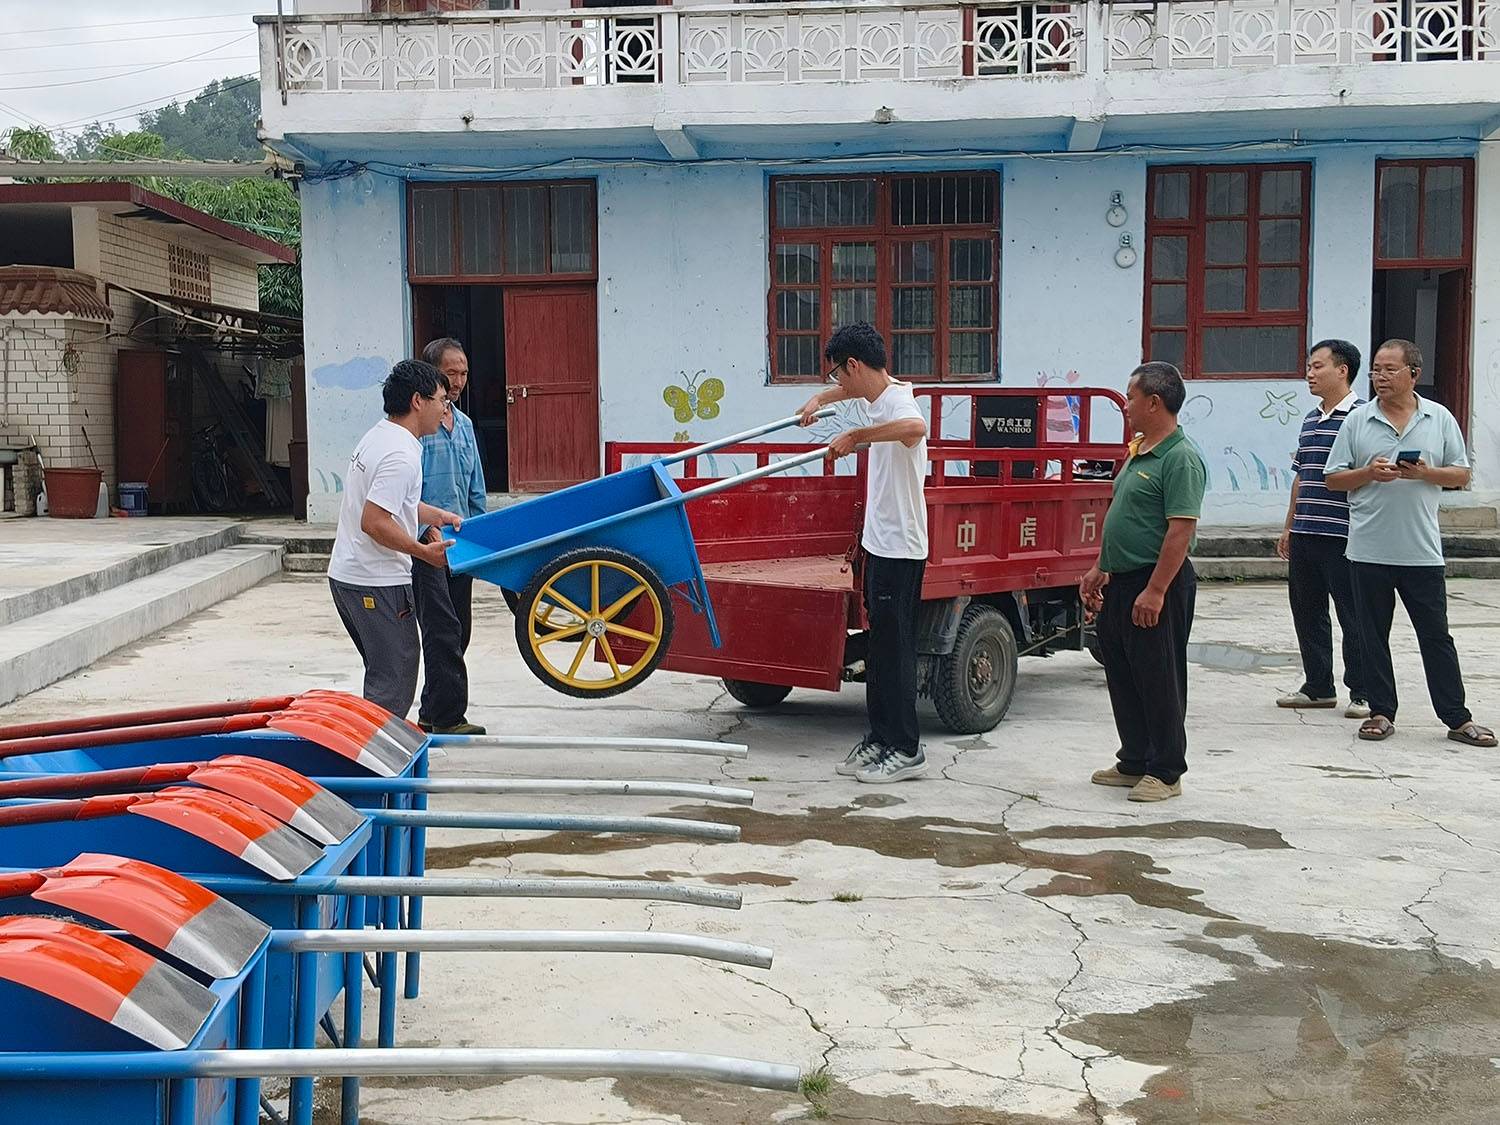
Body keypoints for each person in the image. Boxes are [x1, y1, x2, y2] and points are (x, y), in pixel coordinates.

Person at [1323, 339, 1496, 748]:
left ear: (1414, 374)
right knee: (1371, 636)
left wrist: (1424, 473)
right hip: (1368, 550)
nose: (1379, 377)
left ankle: (1457, 717)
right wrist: (1368, 472)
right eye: (1376, 370)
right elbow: (1333, 479)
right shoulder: (1358, 420)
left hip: (1421, 551)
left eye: (1389, 369)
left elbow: (1461, 474)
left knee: (1436, 637)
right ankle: (1381, 712)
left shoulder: (1439, 418)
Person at [797, 323, 930, 784]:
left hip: (902, 550)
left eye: (837, 373)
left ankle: (906, 748)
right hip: (879, 545)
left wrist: (856, 437)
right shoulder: (876, 397)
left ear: (853, 365)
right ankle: (880, 737)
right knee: (878, 649)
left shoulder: (899, 403)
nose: (837, 382)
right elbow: (848, 395)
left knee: (896, 650)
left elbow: (915, 428)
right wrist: (819, 399)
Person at [1081, 362, 1206, 803]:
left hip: (1158, 582)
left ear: (1154, 402)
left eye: (1131, 397)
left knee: (1159, 677)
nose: (1126, 406)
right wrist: (1101, 566)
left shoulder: (1180, 457)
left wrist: (1155, 591)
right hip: (1122, 580)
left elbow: (1180, 530)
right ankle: (1134, 759)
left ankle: (1166, 770)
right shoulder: (1140, 450)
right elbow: (1127, 517)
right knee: (1123, 674)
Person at [327, 359, 463, 719]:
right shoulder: (400, 454)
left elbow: (394, 502)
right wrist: (422, 551)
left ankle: (374, 749)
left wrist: (437, 516)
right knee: (393, 685)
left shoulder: (381, 435)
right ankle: (373, 755)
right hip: (376, 582)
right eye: (441, 400)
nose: (445, 409)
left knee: (386, 677)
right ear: (418, 401)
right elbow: (374, 521)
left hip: (349, 576)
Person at [1275, 340, 1368, 718]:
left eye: (1317, 366)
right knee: (1307, 611)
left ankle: (1363, 693)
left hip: (1345, 534)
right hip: (1306, 531)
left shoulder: (1363, 418)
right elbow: (1301, 476)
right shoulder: (1311, 419)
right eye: (1309, 367)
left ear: (1342, 371)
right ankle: (1318, 687)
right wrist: (1289, 526)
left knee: (1354, 615)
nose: (1309, 374)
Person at [413, 337, 489, 736]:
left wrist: (483, 532)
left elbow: (475, 488)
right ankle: (447, 718)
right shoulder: (418, 429)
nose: (457, 382)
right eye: (450, 373)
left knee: (460, 629)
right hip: (426, 544)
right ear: (432, 376)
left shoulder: (466, 426)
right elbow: (407, 491)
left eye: (463, 373)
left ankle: (432, 711)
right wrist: (422, 530)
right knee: (441, 630)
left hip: (462, 542)